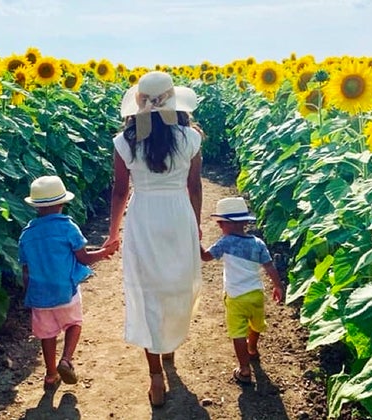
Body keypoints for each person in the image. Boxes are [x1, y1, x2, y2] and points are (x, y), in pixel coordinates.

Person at [103, 71, 203, 407]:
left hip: (143, 216)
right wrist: (198, 226)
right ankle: (169, 344)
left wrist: (112, 233)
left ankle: (156, 376)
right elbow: (195, 187)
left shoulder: (126, 141)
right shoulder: (190, 138)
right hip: (178, 215)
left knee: (147, 291)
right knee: (177, 284)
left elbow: (120, 191)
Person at [18, 175, 118, 390]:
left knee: (47, 334)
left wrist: (29, 295)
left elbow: (25, 271)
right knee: (73, 324)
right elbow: (83, 257)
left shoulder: (26, 235)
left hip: (39, 296)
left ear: (36, 206)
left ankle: (51, 374)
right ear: (62, 203)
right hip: (65, 291)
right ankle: (66, 360)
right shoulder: (67, 227)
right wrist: (104, 252)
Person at [200, 197, 283, 386]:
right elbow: (269, 266)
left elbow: (205, 257)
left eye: (220, 223)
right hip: (256, 294)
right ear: (245, 222)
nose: (220, 226)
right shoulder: (258, 243)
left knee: (238, 332)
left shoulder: (225, 242)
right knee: (256, 324)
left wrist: (194, 243)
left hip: (235, 296)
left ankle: (244, 369)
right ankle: (252, 348)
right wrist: (278, 286)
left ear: (224, 224)